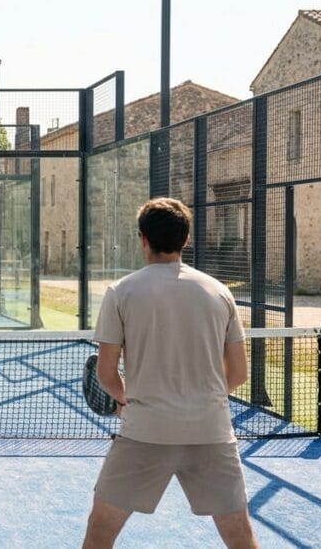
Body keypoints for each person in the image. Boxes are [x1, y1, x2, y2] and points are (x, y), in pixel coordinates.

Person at [83, 198, 256, 549]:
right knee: (240, 535)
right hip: (211, 430)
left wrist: (124, 401)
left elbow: (105, 373)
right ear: (187, 239)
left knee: (100, 531)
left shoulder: (121, 292)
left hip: (145, 431)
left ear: (142, 238)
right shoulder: (219, 292)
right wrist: (200, 399)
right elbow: (238, 372)